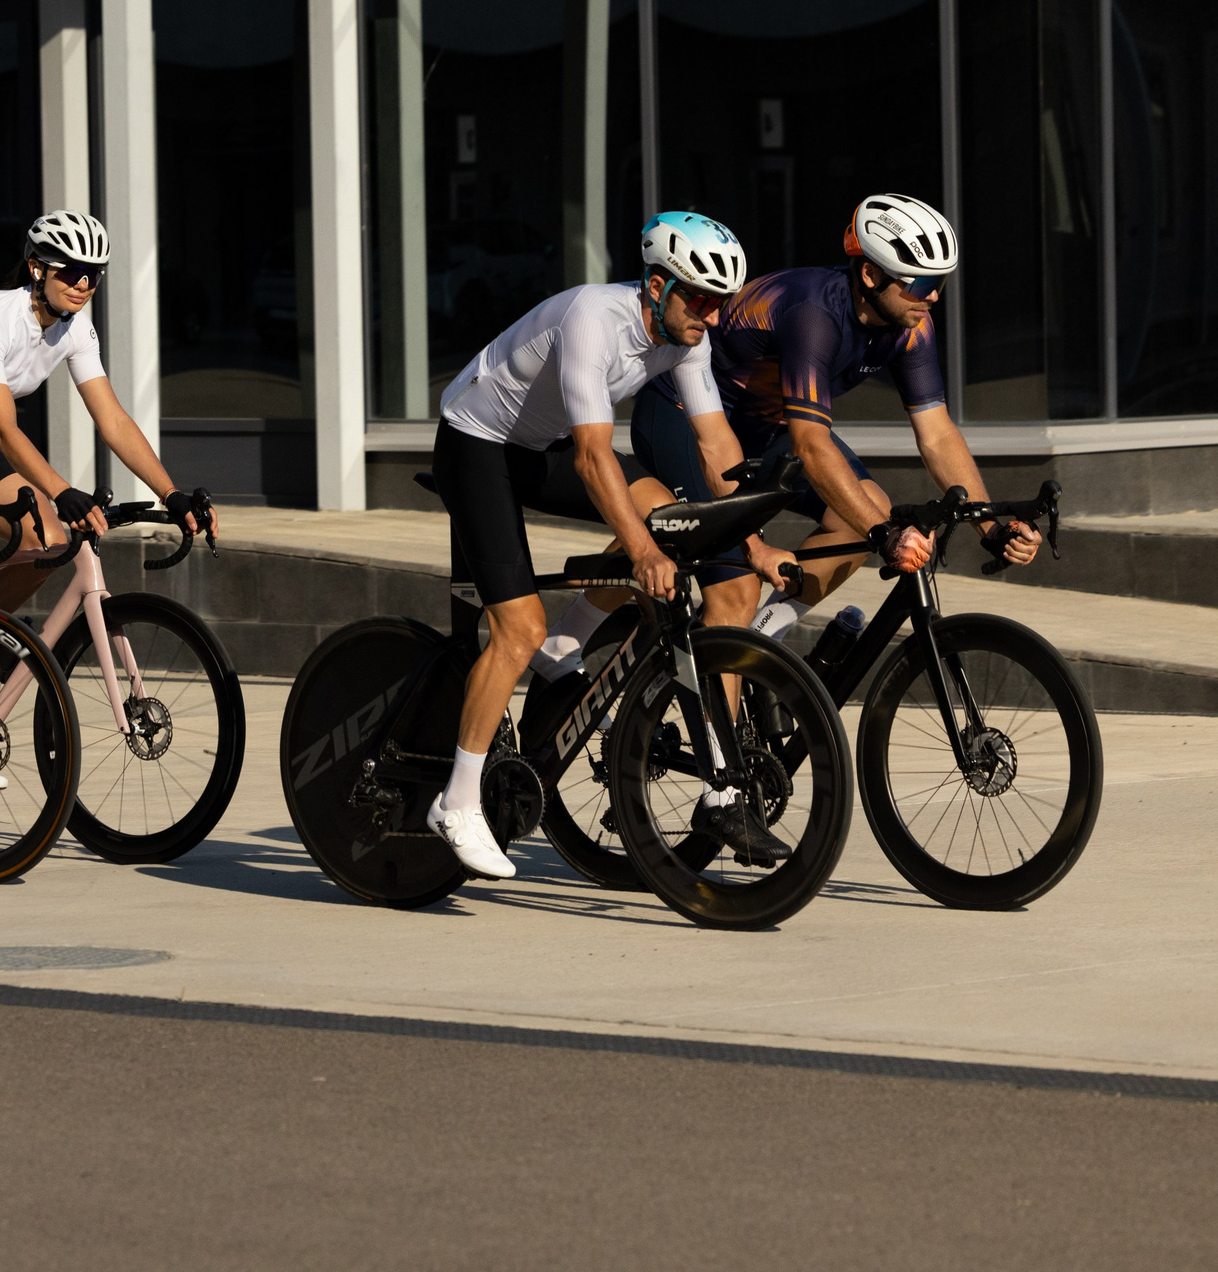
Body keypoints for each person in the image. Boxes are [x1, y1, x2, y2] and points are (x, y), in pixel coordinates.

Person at [428, 211, 790, 881]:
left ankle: (567, 639)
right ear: (656, 287)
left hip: (536, 447)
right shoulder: (594, 318)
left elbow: (716, 449)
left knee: (663, 509)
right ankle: (455, 802)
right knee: (515, 627)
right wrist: (642, 553)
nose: (710, 316)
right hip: (476, 443)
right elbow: (595, 459)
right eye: (699, 298)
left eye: (720, 302)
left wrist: (757, 544)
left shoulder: (687, 340)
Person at [630, 192, 1040, 656]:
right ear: (870, 273)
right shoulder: (814, 313)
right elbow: (809, 444)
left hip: (761, 430)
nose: (933, 296)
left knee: (866, 508)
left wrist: (990, 528)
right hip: (683, 419)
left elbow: (938, 433)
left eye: (940, 282)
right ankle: (698, 708)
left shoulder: (912, 325)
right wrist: (885, 537)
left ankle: (760, 644)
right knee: (735, 593)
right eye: (921, 281)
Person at [0, 209, 214, 613]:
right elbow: (3, 428)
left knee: (50, 544)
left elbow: (113, 420)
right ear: (37, 269)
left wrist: (169, 494)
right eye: (72, 271)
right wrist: (60, 490)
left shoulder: (76, 329)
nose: (83, 284)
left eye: (94, 275)